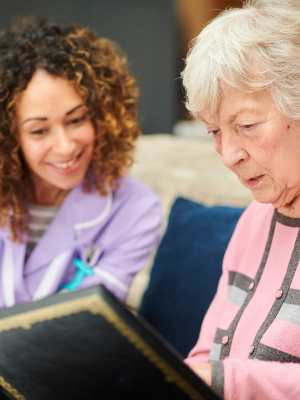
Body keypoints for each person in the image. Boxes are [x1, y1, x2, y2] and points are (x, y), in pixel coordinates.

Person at [0, 16, 162, 309]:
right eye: (39, 130)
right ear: (9, 138)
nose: (65, 147)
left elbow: (83, 323)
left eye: (76, 120)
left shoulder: (136, 208)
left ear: (102, 115)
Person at [182, 0, 300, 398]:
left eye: (246, 125)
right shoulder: (255, 219)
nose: (229, 153)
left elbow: (219, 376)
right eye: (214, 131)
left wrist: (224, 381)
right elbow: (206, 354)